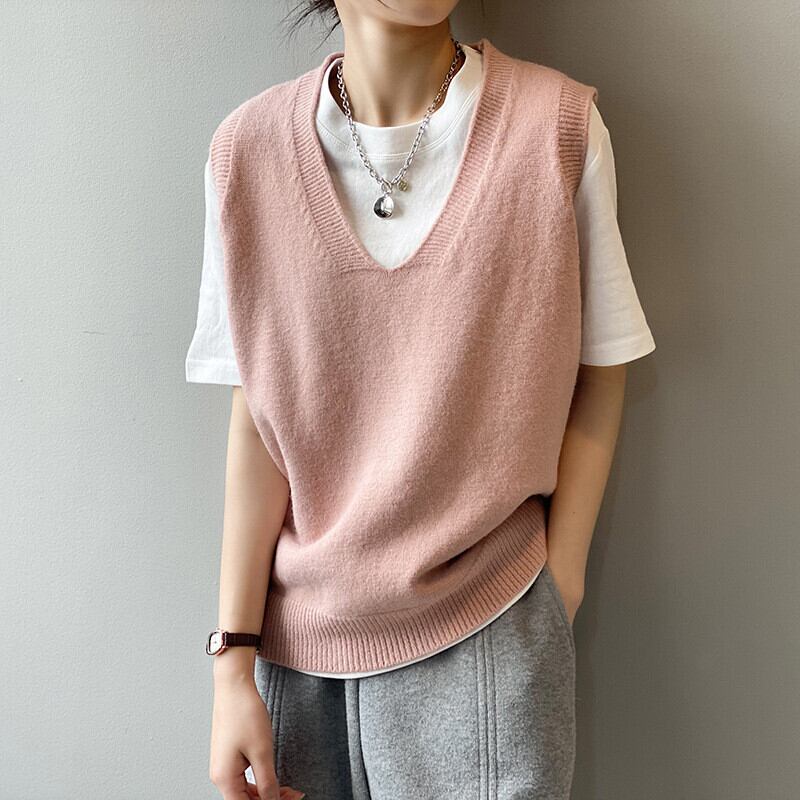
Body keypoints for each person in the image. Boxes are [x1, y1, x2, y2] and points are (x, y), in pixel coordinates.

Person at [186, 2, 656, 799]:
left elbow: (601, 369)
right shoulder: (246, 152)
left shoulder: (557, 127)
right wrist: (232, 662)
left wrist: (557, 588)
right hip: (295, 658)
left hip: (493, 628)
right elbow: (259, 421)